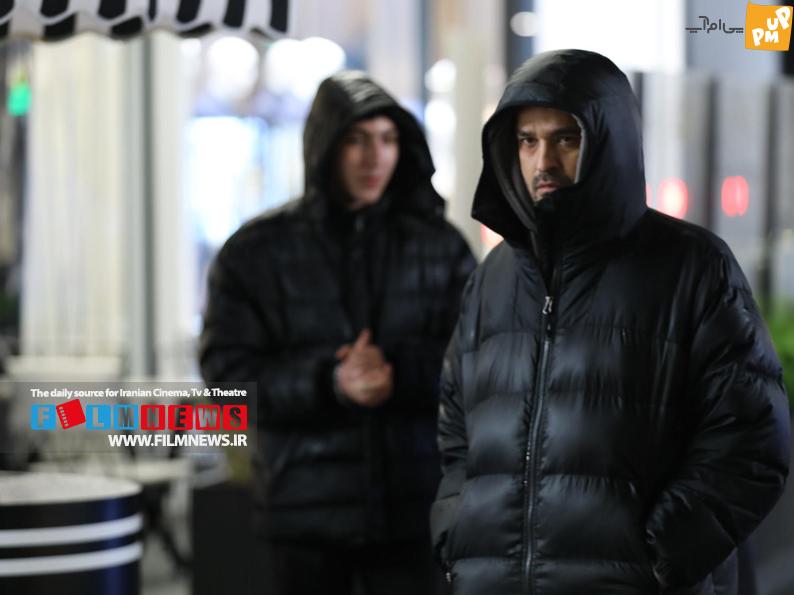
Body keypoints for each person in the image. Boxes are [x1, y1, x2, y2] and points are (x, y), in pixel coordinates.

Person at [430, 49, 790, 595]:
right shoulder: (492, 280)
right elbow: (457, 434)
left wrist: (658, 556)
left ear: (608, 140)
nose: (543, 161)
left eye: (565, 138)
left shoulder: (690, 267)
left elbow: (752, 438)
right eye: (527, 141)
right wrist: (458, 533)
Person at [200, 70, 475, 595]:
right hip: (304, 519)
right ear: (323, 147)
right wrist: (329, 382)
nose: (375, 157)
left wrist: (398, 374)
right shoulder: (254, 254)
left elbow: (479, 361)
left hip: (415, 512)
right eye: (356, 139)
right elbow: (227, 383)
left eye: (388, 139)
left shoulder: (440, 248)